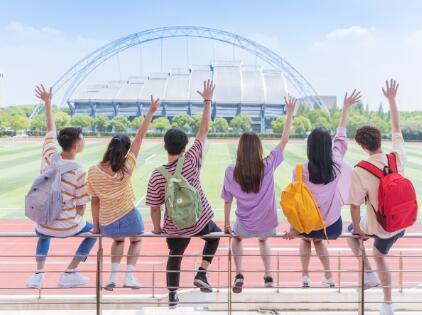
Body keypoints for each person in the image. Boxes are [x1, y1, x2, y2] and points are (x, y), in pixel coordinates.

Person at [146, 80, 220, 309]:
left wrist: (158, 229)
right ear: (184, 146)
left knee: (175, 255)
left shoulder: (157, 175)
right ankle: (201, 272)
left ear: (165, 146)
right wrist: (207, 100)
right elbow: (204, 130)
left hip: (175, 225)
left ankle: (172, 296)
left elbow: (155, 207)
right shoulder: (191, 159)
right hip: (199, 220)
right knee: (215, 235)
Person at [284, 90, 362, 288]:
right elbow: (341, 138)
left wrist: (294, 228)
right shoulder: (336, 164)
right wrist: (345, 108)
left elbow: (297, 203)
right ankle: (328, 275)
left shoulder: (299, 170)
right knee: (317, 239)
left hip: (306, 225)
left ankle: (305, 276)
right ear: (329, 146)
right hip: (332, 227)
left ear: (309, 147)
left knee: (306, 237)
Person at [221, 96, 297, 293]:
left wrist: (227, 223)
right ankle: (268, 275)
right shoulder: (268, 164)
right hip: (268, 224)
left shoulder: (231, 171)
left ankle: (239, 273)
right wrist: (289, 113)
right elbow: (284, 140)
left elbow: (227, 200)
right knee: (264, 240)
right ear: (258, 148)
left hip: (244, 224)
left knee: (236, 239)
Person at [26, 85, 97, 289]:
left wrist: (48, 102)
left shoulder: (49, 155)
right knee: (93, 232)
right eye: (82, 140)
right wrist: (75, 219)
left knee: (42, 230)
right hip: (68, 225)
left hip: (44, 222)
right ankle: (70, 271)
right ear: (76, 147)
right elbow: (82, 205)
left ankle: (39, 273)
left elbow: (50, 129)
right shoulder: (79, 172)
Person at [87, 96, 160, 291]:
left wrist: (96, 228)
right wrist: (151, 111)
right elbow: (140, 137)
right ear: (126, 150)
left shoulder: (93, 170)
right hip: (129, 216)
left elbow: (94, 201)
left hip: (107, 221)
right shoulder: (127, 166)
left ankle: (112, 278)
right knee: (136, 241)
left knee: (118, 241)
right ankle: (129, 277)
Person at [347, 79, 405, 315]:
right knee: (378, 247)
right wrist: (391, 100)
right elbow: (397, 130)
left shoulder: (361, 169)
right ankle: (386, 303)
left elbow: (354, 205)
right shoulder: (396, 158)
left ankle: (375, 283)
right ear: (380, 140)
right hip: (401, 221)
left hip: (380, 226)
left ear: (362, 146)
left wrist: (359, 230)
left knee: (358, 241)